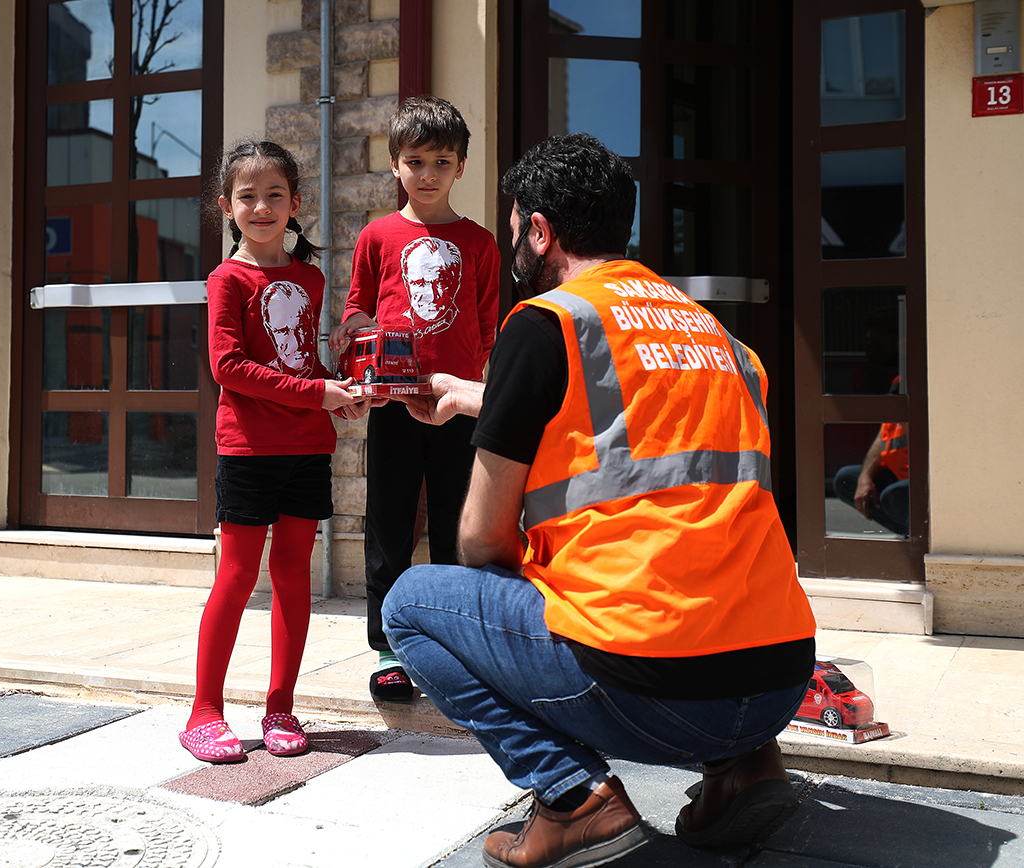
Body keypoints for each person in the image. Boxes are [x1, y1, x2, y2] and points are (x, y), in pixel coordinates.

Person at [385, 133, 818, 868]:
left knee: (414, 602)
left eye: (517, 225)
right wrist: (480, 401)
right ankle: (744, 770)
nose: (515, 241)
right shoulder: (721, 339)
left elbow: (483, 543)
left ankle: (572, 800)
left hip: (654, 689)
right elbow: (633, 427)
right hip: (778, 680)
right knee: (704, 561)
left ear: (540, 230)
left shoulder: (545, 322)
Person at [179, 139, 365, 764]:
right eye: (248, 197)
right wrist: (317, 392)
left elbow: (298, 362)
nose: (261, 207)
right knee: (237, 574)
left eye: (274, 196)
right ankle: (205, 712)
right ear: (226, 207)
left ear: (296, 204)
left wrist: (339, 395)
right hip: (249, 448)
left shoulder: (309, 277)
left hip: (308, 446)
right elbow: (229, 367)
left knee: (293, 576)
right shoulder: (226, 279)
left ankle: (280, 706)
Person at [327, 95, 500, 702]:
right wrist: (350, 335)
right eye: (415, 160)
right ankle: (388, 648)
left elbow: (485, 325)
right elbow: (357, 308)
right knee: (389, 523)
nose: (428, 174)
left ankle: (455, 646)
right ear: (395, 166)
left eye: (441, 161)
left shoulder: (480, 244)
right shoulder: (377, 236)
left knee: (459, 526)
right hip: (393, 408)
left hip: (455, 407)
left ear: (460, 167)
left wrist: (468, 385)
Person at [834, 419, 909, 536]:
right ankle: (912, 533)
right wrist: (865, 476)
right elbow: (882, 439)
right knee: (845, 479)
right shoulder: (894, 408)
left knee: (893, 495)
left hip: (923, 482)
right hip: (900, 478)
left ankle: (925, 536)